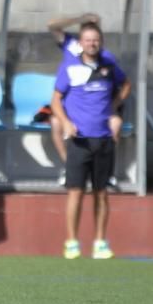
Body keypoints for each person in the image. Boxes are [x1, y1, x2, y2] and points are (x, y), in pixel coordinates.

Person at [51, 22, 131, 260]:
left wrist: (114, 107)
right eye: (87, 39)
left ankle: (99, 242)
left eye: (95, 39)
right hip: (80, 140)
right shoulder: (70, 68)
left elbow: (125, 85)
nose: (92, 43)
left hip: (104, 138)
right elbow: (55, 100)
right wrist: (65, 122)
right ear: (81, 42)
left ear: (101, 42)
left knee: (101, 193)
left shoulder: (109, 66)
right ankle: (72, 242)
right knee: (75, 191)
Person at [47, 13, 123, 186]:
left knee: (115, 123)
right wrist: (78, 19)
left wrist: (114, 105)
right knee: (56, 123)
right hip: (70, 104)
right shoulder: (71, 44)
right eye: (86, 27)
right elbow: (52, 24)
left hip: (95, 107)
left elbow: (123, 82)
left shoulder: (105, 57)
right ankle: (70, 167)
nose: (91, 41)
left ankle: (105, 170)